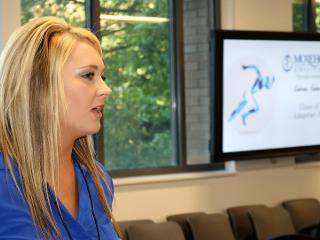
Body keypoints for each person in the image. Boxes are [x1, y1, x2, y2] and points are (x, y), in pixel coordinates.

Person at [0, 16, 121, 239]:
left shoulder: (97, 180)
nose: (106, 89)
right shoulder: (4, 181)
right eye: (88, 75)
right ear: (39, 86)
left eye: (102, 76)